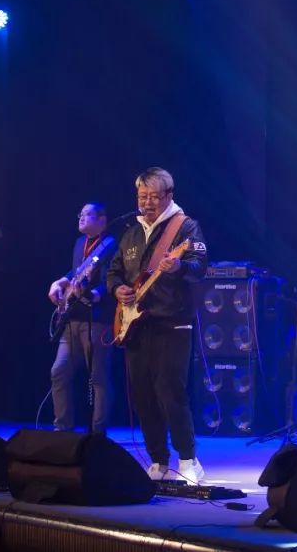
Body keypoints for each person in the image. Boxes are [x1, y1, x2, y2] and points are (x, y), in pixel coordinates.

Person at [107, 167, 208, 484]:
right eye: (142, 196)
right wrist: (117, 289)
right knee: (143, 394)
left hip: (172, 322)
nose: (147, 202)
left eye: (153, 196)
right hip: (137, 325)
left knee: (170, 391)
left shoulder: (185, 226)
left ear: (168, 195)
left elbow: (200, 266)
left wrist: (178, 266)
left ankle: (188, 459)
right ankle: (158, 460)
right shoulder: (131, 232)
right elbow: (114, 271)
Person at [47, 202, 118, 435]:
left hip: (97, 320)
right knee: (59, 371)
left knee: (98, 377)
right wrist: (59, 282)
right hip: (72, 319)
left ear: (102, 220)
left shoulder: (110, 244)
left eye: (87, 214)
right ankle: (62, 428)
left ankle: (98, 433)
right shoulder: (80, 243)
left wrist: (94, 294)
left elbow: (112, 278)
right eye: (81, 214)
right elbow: (75, 272)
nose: (81, 218)